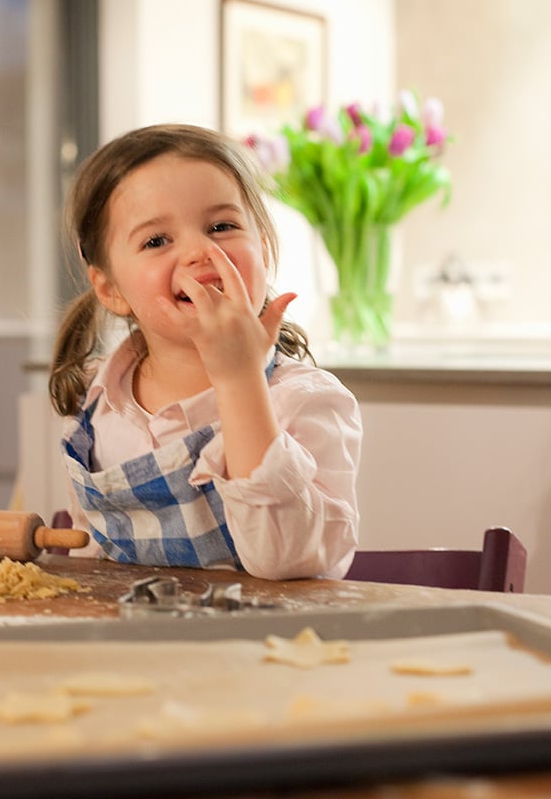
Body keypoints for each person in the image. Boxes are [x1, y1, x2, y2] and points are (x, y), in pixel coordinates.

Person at [48, 123, 361, 580]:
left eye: (222, 226)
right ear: (111, 288)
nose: (200, 251)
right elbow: (90, 562)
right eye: (157, 240)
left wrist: (239, 379)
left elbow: (285, 559)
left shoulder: (305, 400)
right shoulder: (96, 400)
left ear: (265, 250)